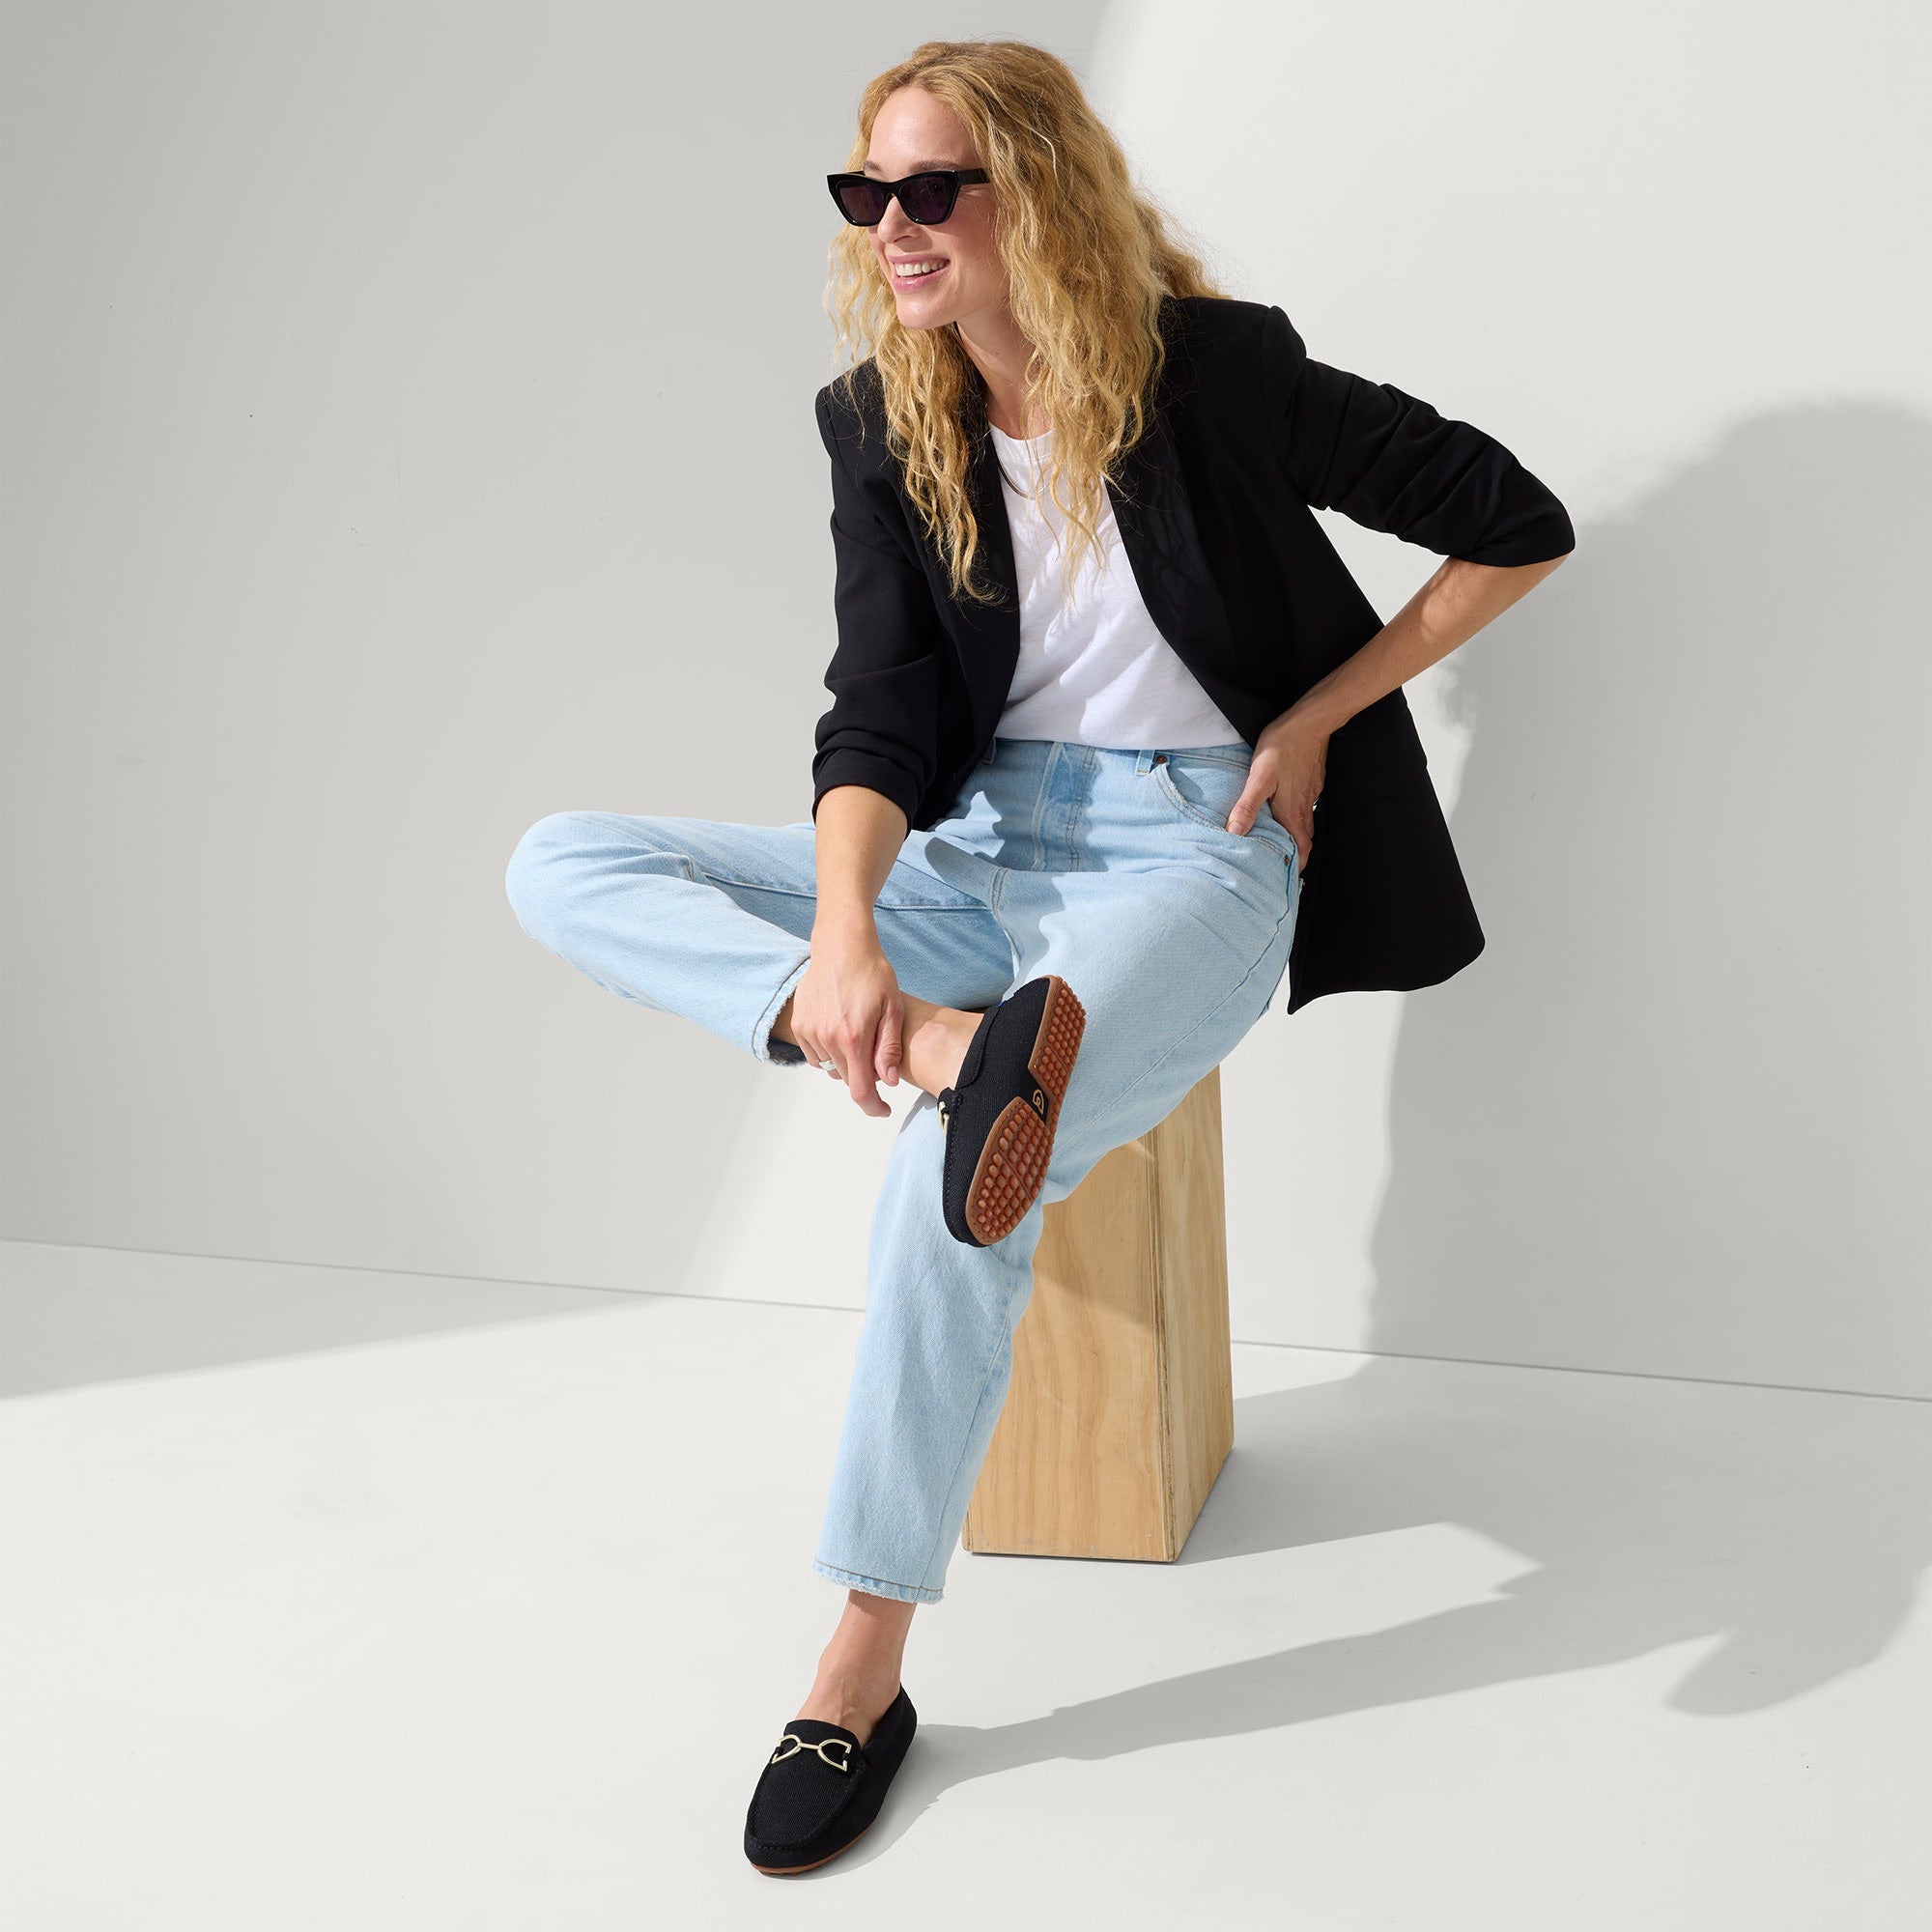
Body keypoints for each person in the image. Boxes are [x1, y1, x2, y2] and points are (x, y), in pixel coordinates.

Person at [503, 38, 1575, 1875]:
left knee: (958, 1182)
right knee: (566, 859)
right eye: (868, 192)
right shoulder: (879, 419)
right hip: (980, 854)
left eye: (933, 188)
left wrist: (1315, 715)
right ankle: (950, 1052)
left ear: (1040, 192)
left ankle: (860, 1658)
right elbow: (878, 710)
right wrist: (850, 944)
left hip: (1196, 853)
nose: (894, 225)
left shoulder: (1214, 373)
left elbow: (1512, 518)